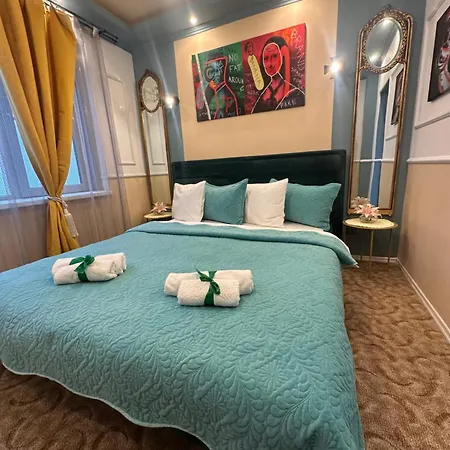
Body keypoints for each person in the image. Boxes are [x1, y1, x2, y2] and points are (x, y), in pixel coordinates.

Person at [251, 36, 305, 113]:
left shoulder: (295, 93)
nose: (270, 64)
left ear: (281, 58)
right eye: (265, 58)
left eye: (274, 56)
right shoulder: (263, 94)